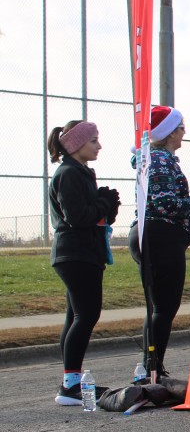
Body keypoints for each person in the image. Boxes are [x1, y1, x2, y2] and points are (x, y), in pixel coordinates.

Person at [128, 106, 190, 381]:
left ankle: (150, 367)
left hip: (152, 235)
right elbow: (164, 203)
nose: (184, 132)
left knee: (159, 308)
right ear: (168, 133)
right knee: (164, 308)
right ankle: (152, 369)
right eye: (180, 128)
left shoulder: (155, 159)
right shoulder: (160, 160)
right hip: (161, 236)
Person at [47, 120, 120, 405]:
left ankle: (71, 382)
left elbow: (93, 216)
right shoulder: (68, 174)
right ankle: (70, 387)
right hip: (76, 254)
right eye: (93, 140)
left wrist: (107, 207)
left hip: (82, 253)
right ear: (77, 144)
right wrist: (103, 204)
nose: (99, 146)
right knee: (86, 315)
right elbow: (77, 217)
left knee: (76, 316)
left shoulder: (80, 173)